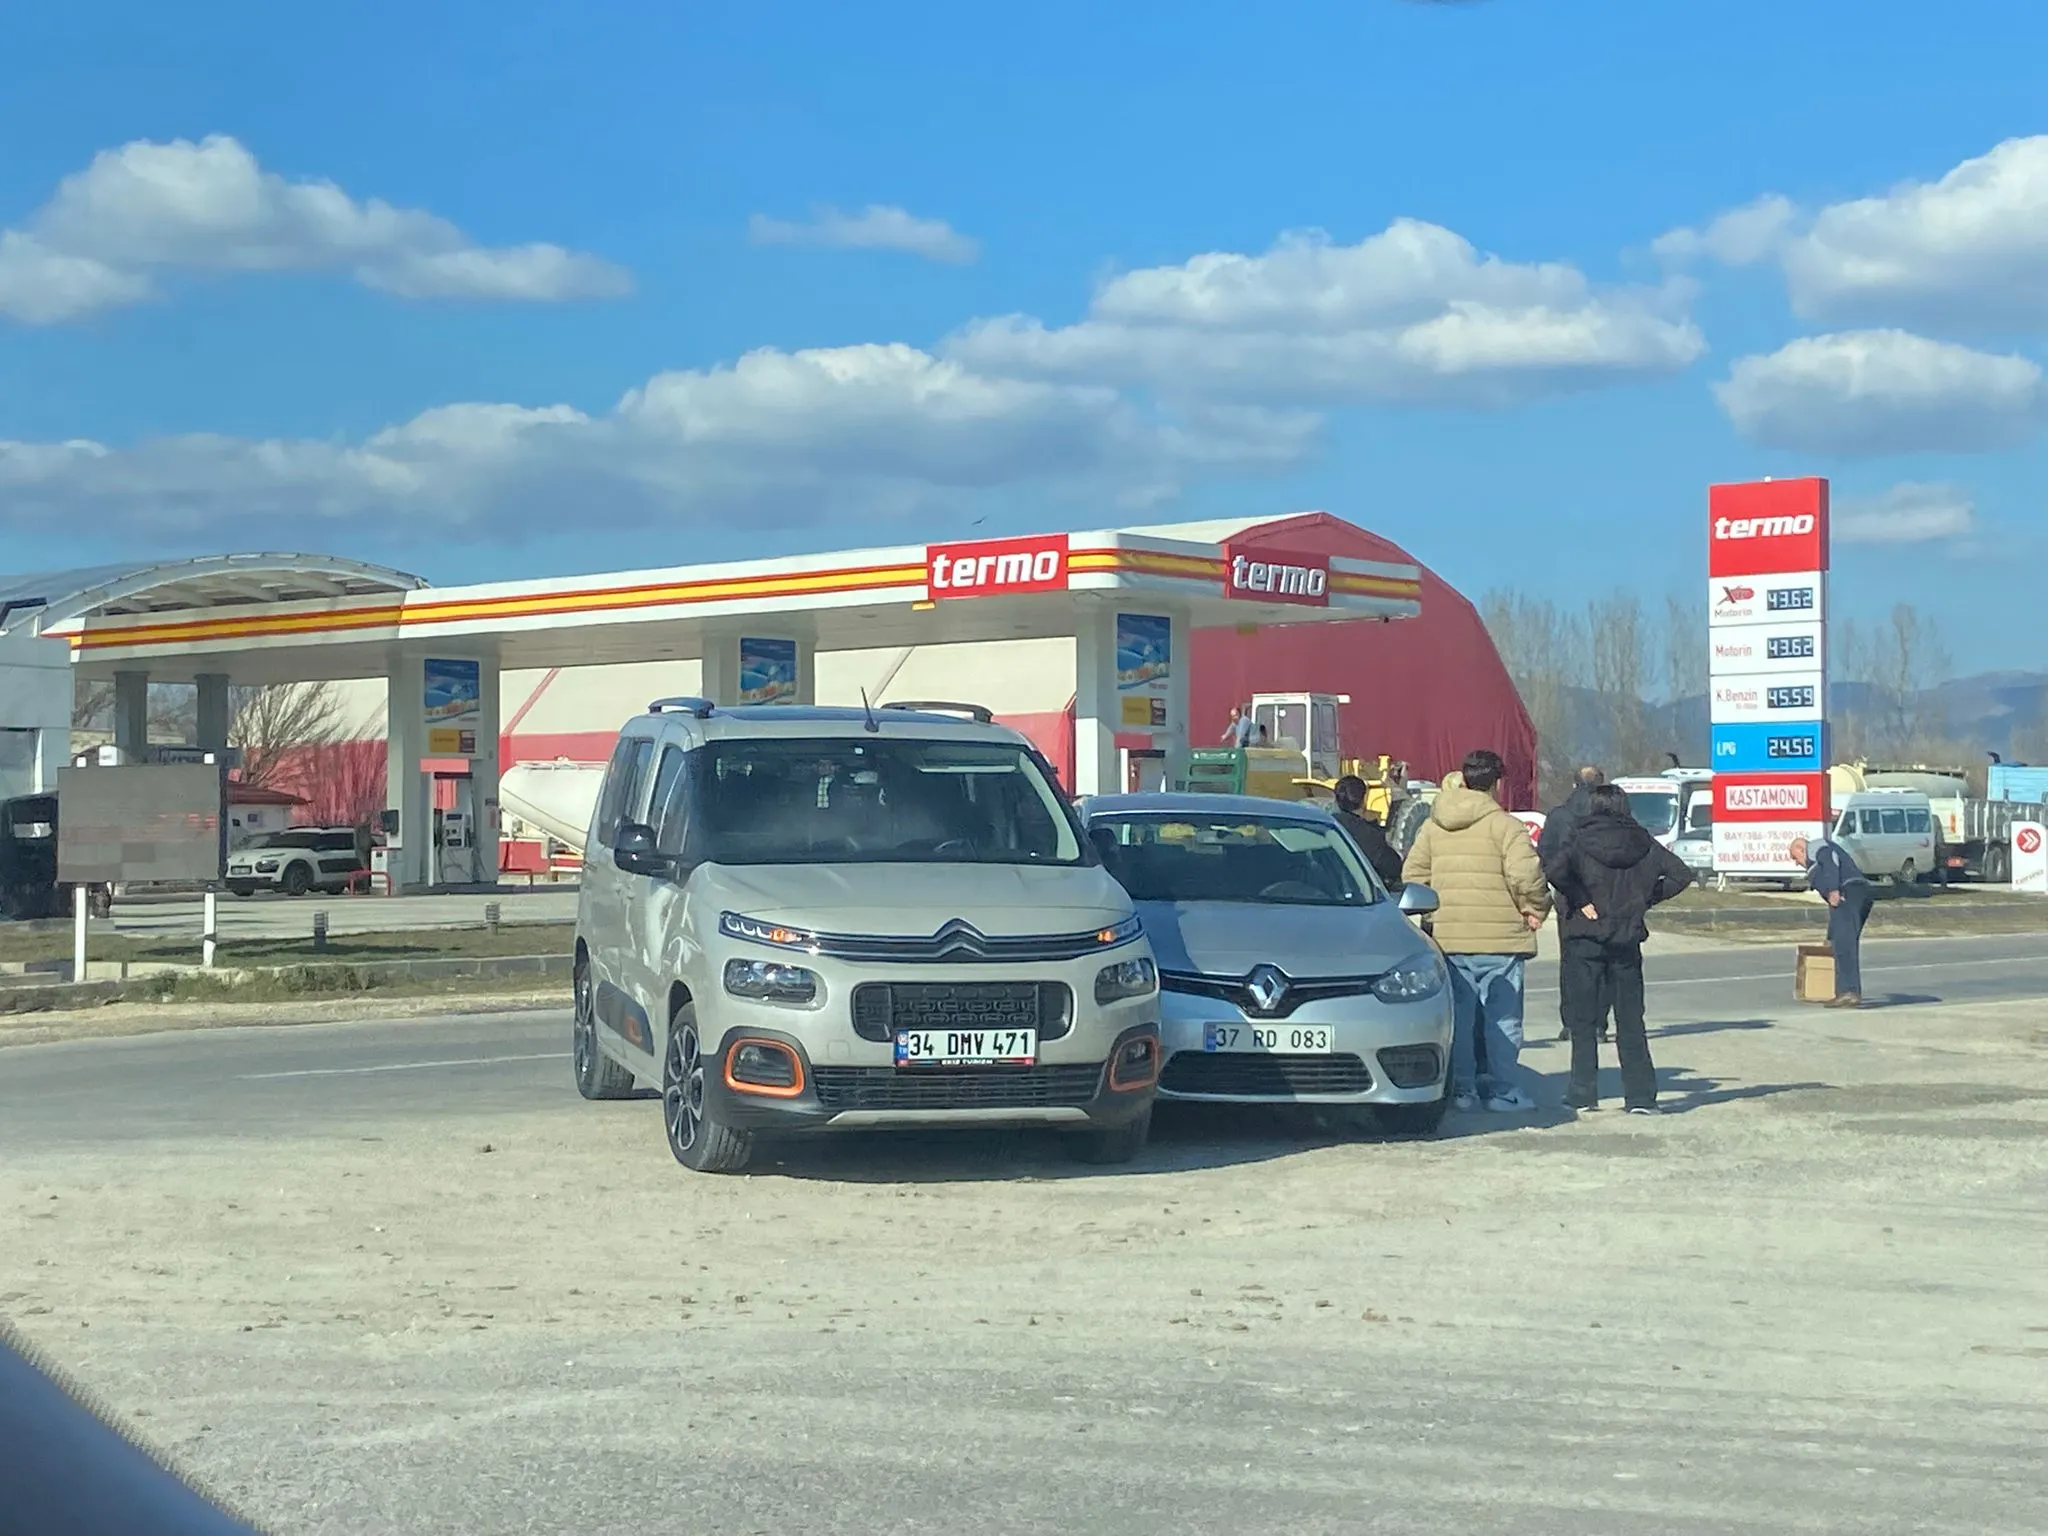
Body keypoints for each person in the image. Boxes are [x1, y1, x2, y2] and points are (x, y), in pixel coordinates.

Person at [1401, 749, 1552, 1113]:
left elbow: (1413, 875)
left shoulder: (1433, 826)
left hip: (1449, 937)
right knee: (1503, 1020)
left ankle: (1463, 1091)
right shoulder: (1506, 827)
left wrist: (1432, 913)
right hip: (1500, 939)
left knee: (1461, 1020)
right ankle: (1503, 1091)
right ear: (1496, 784)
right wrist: (1535, 908)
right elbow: (1524, 876)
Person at [1543, 784, 1694, 1114]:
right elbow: (1682, 874)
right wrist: (1646, 898)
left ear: (1593, 806)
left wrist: (1580, 899)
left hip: (1583, 938)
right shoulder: (1643, 842)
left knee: (1583, 1021)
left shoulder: (1580, 838)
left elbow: (1554, 871)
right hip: (1625, 938)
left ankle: (1583, 1093)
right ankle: (1640, 1097)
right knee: (1631, 1021)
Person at [1538, 765, 1609, 1042]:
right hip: (1604, 894)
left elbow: (1544, 854)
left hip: (1567, 893)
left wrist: (1559, 882)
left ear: (1574, 784)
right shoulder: (1609, 813)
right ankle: (1599, 1023)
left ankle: (1571, 1022)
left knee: (1571, 961)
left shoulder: (1558, 816)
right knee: (1603, 960)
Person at [1790, 833, 1874, 1008]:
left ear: (1800, 848)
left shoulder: (1816, 847)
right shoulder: (1815, 862)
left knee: (1844, 944)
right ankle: (1841, 989)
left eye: (1794, 856)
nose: (1795, 862)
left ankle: (1849, 991)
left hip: (1848, 891)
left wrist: (1834, 890)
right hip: (1857, 893)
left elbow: (1831, 861)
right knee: (1838, 940)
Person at [1331, 774, 1404, 890]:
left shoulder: (1325, 827)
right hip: (1358, 896)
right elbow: (1393, 867)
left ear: (1336, 798)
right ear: (1363, 799)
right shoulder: (1370, 836)